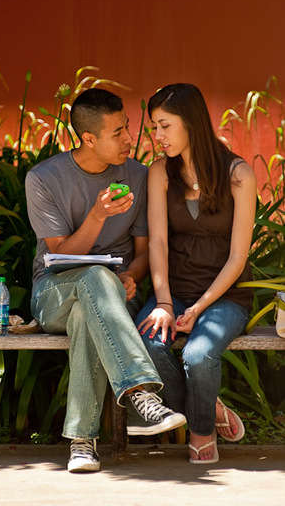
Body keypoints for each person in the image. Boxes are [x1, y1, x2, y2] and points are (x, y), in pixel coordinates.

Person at [25, 88, 186, 473]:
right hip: (53, 292)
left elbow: (146, 251)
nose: (130, 139)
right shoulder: (44, 179)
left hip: (112, 297)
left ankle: (82, 444)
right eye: (118, 132)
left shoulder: (138, 175)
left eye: (127, 127)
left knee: (89, 314)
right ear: (89, 139)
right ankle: (141, 392)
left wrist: (131, 274)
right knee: (93, 279)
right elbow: (58, 253)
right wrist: (97, 216)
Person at [136, 83, 256, 464]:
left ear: (191, 123)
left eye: (165, 126)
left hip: (224, 295)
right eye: (155, 127)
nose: (158, 137)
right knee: (148, 343)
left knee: (200, 355)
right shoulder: (160, 173)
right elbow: (157, 243)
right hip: (174, 290)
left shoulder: (238, 174)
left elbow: (238, 256)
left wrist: (201, 307)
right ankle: (209, 408)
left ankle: (201, 432)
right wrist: (165, 303)